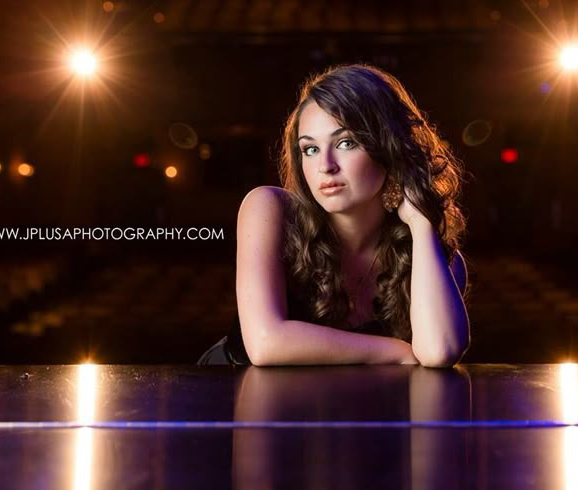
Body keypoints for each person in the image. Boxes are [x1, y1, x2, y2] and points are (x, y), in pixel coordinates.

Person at [198, 64, 469, 367]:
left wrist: (421, 224)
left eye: (345, 143)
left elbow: (440, 351)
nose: (325, 165)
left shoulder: (433, 256)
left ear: (388, 149)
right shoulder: (268, 208)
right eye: (310, 149)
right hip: (233, 400)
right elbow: (265, 344)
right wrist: (397, 352)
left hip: (334, 411)